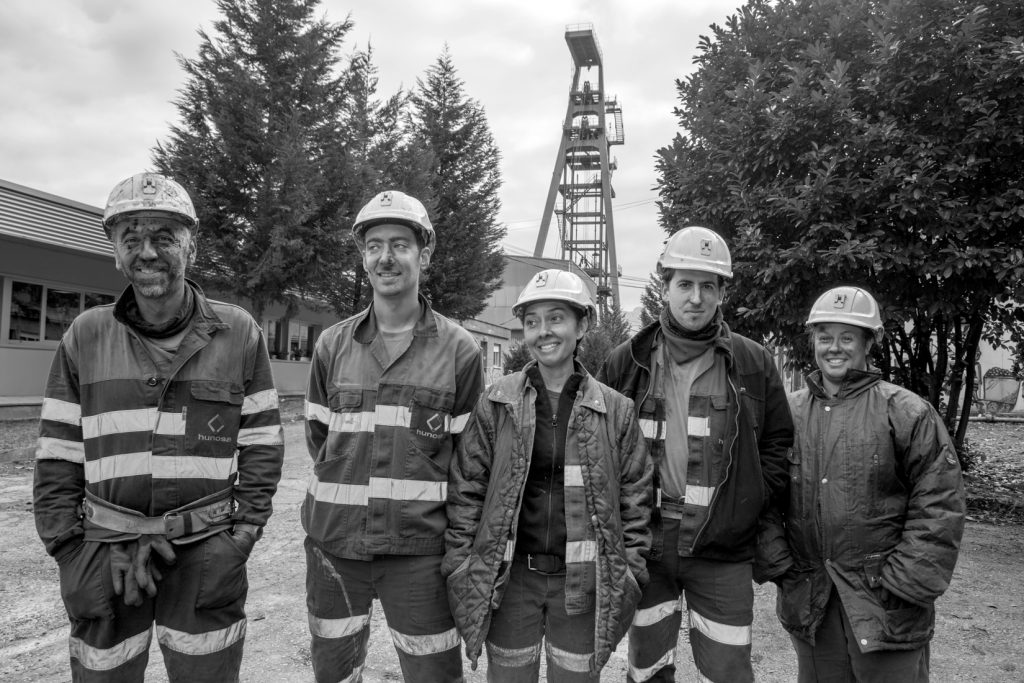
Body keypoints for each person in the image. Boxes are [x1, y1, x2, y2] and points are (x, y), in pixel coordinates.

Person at [33, 172, 284, 682]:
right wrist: (68, 551)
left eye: (164, 237)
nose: (147, 252)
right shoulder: (85, 336)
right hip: (104, 556)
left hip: (207, 554)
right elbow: (57, 453)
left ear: (192, 246)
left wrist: (242, 537)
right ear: (115, 252)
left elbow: (263, 444)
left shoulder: (238, 334)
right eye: (131, 239)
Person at [302, 190, 484, 682]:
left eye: (400, 244)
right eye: (375, 244)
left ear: (423, 254)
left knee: (434, 676)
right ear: (363, 257)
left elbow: (468, 463)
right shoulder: (332, 345)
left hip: (420, 555)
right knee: (335, 674)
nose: (387, 256)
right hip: (335, 546)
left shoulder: (460, 352)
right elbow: (320, 439)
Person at [598, 226, 794, 683]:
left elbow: (778, 443)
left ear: (723, 292)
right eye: (684, 284)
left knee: (727, 671)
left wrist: (751, 500)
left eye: (708, 285)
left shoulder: (752, 363)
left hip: (722, 547)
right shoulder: (628, 361)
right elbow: (603, 446)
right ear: (665, 287)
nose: (695, 297)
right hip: (647, 544)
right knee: (646, 669)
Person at [444, 268, 653, 681]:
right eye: (532, 322)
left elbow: (636, 500)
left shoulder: (616, 410)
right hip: (512, 582)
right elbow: (467, 488)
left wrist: (628, 571)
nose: (544, 331)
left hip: (583, 588)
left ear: (583, 325)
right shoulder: (498, 402)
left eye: (556, 317)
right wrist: (461, 564)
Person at [758, 286, 966, 682]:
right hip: (813, 597)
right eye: (825, 337)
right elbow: (764, 495)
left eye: (847, 337)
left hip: (885, 603)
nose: (834, 348)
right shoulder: (789, 413)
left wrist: (904, 582)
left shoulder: (906, 412)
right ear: (813, 342)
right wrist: (781, 565)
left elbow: (940, 502)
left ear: (869, 342)